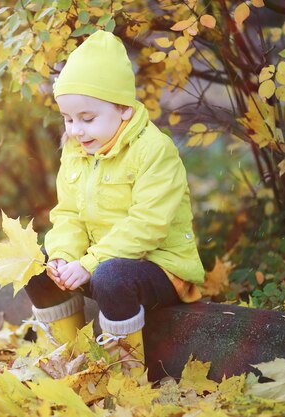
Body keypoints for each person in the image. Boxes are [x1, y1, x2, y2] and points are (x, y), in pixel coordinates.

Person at [24, 30, 205, 377]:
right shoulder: (77, 151)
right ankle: (69, 358)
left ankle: (125, 374)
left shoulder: (154, 150)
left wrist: (90, 263)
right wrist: (63, 256)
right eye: (68, 119)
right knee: (37, 266)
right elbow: (69, 215)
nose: (76, 130)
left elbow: (148, 224)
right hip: (98, 263)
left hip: (157, 267)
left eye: (87, 118)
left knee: (111, 275)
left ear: (122, 108)